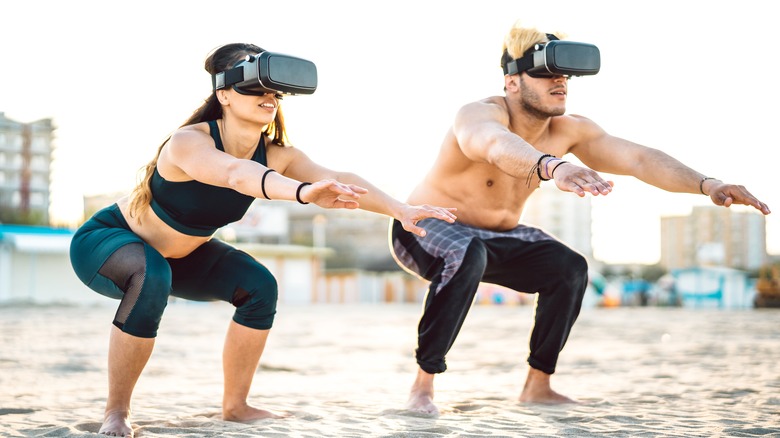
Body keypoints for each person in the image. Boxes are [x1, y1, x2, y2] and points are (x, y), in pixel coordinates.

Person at [69, 42, 457, 438]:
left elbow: (342, 179)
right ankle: (116, 413)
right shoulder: (189, 141)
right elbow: (236, 175)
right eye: (252, 87)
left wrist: (401, 209)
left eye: (271, 89)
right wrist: (304, 193)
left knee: (259, 286)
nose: (267, 97)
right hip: (109, 242)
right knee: (152, 278)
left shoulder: (277, 154)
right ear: (223, 94)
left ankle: (235, 406)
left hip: (181, 256)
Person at [389, 21, 771, 414]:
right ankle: (423, 387)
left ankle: (537, 386)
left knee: (569, 267)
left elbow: (638, 159)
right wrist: (552, 166)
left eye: (564, 75)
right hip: (424, 226)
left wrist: (707, 184)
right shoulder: (479, 114)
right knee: (468, 252)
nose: (560, 82)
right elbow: (492, 143)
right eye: (544, 74)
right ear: (512, 82)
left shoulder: (569, 130)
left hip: (498, 237)